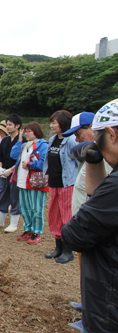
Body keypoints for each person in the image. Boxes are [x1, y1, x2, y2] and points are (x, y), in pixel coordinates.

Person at [61, 98, 118, 333]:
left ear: (111, 134)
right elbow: (102, 197)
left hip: (109, 303)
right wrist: (95, 162)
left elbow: (74, 236)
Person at [43, 110, 79, 264]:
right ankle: (58, 247)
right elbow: (48, 161)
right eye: (51, 122)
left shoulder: (71, 140)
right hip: (54, 184)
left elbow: (78, 162)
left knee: (66, 217)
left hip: (67, 184)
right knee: (54, 215)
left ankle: (68, 250)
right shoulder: (52, 140)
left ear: (63, 123)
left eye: (54, 122)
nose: (51, 125)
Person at [10, 122, 49, 244]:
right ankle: (28, 230)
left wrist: (30, 164)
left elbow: (44, 164)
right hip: (22, 180)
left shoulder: (43, 145)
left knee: (36, 208)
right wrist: (19, 141)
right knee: (25, 207)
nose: (26, 134)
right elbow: (13, 155)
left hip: (35, 181)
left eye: (29, 131)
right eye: (25, 131)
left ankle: (37, 231)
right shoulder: (24, 145)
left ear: (36, 132)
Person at [0, 114, 26, 232]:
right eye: (7, 124)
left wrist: (11, 170)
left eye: (10, 125)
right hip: (3, 172)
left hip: (16, 173)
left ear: (17, 126)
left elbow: (21, 159)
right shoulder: (4, 140)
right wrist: (0, 169)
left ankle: (13, 224)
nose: (7, 127)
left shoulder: (23, 140)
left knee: (15, 196)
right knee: (1, 195)